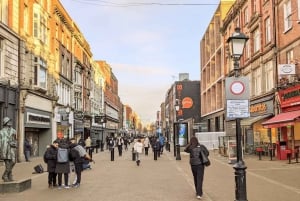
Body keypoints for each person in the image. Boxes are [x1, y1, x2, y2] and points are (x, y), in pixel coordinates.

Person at [0, 117, 17, 182]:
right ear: (6, 123)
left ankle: (5, 175)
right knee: (7, 164)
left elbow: (15, 140)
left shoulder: (14, 131)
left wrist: (14, 144)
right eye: (9, 121)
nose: (10, 122)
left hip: (12, 149)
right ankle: (9, 176)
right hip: (5, 149)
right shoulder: (1, 132)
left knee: (13, 162)